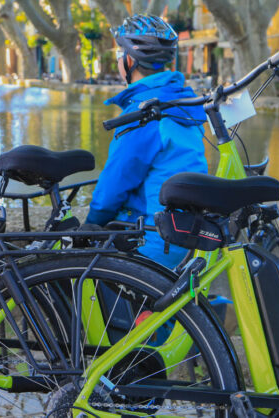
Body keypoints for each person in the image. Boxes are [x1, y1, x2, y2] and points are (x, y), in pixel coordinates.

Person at [85, 15, 209, 269]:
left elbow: (115, 182)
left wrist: (91, 223)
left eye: (121, 54)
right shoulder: (181, 104)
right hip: (185, 234)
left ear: (129, 61)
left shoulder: (146, 112)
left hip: (151, 239)